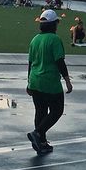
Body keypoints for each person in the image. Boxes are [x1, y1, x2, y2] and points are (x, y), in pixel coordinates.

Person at [26, 9, 72, 155]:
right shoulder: (54, 39)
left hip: (35, 80)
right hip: (49, 82)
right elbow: (60, 61)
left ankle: (42, 143)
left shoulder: (35, 39)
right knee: (57, 110)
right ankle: (38, 133)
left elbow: (30, 63)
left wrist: (28, 83)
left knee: (40, 111)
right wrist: (67, 80)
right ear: (53, 24)